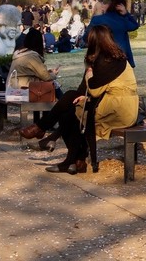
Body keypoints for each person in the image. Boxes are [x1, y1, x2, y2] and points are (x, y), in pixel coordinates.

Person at [19, 26, 139, 176]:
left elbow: (94, 88)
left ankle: (46, 133)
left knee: (70, 107)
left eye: (89, 39)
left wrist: (89, 76)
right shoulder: (106, 58)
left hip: (120, 110)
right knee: (69, 109)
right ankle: (76, 161)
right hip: (112, 105)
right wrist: (84, 94)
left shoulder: (111, 60)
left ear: (95, 41)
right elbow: (87, 90)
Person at [85, 0, 140, 67]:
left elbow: (86, 37)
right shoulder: (122, 21)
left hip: (102, 55)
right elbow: (135, 25)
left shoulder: (97, 20)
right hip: (121, 55)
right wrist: (126, 14)